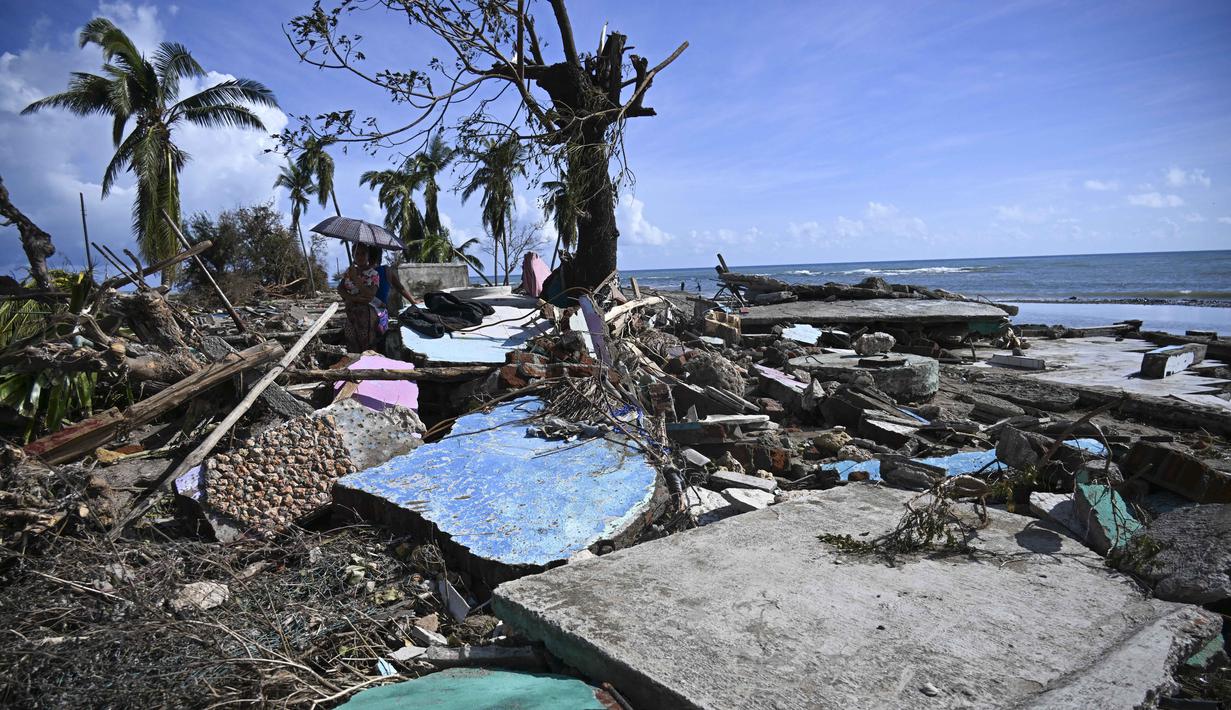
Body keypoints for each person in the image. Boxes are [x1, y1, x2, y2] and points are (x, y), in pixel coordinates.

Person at [337, 244, 415, 353]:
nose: (359, 257)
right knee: (353, 338)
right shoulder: (352, 272)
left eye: (363, 253)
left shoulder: (374, 274)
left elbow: (369, 296)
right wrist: (353, 297)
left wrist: (354, 289)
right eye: (357, 254)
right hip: (356, 311)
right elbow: (341, 289)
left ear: (368, 255)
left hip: (372, 312)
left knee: (366, 340)